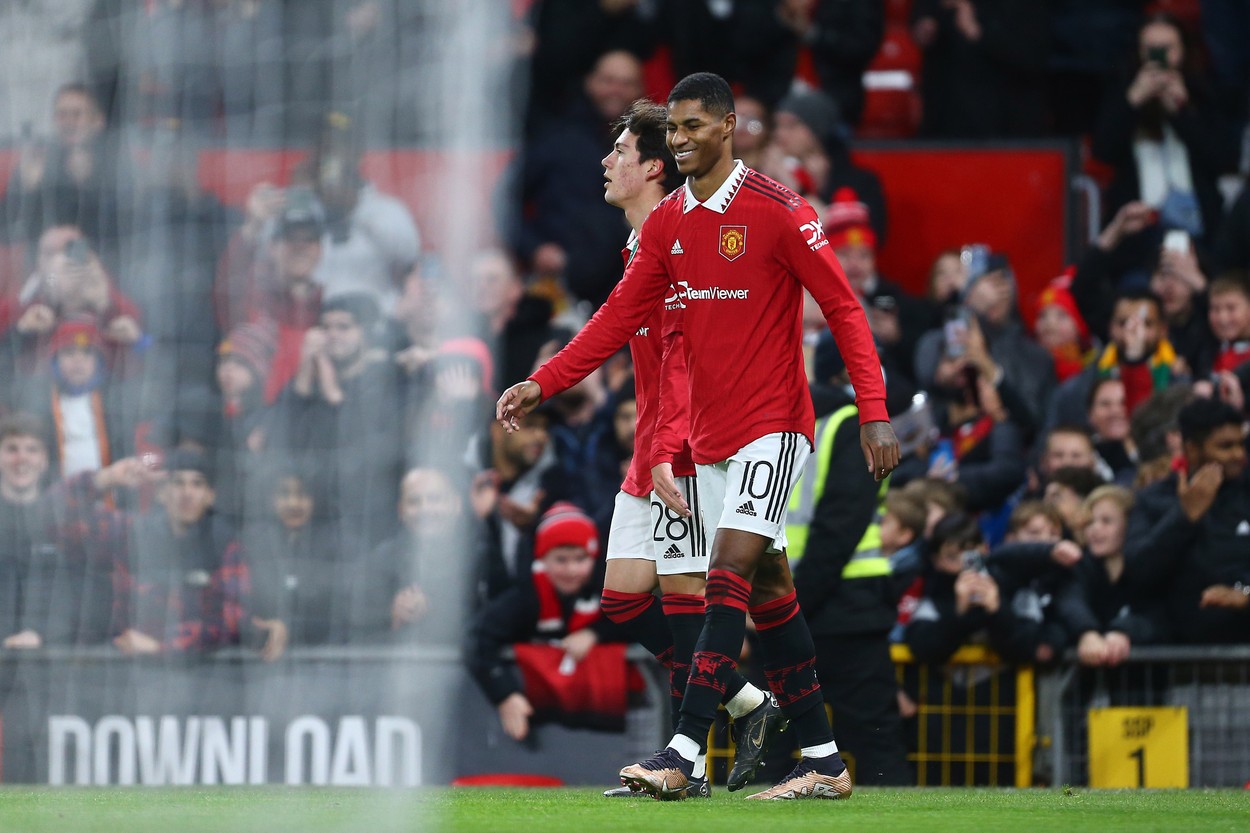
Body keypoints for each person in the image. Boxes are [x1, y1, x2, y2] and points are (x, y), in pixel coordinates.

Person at [497, 73, 899, 801]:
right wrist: (544, 381)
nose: (679, 138)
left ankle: (683, 755)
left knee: (726, 578)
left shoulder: (780, 211)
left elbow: (842, 306)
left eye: (691, 126)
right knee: (771, 596)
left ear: (729, 126)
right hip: (709, 439)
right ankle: (825, 760)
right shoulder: (666, 225)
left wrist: (873, 408)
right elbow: (616, 320)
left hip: (774, 426)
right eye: (672, 128)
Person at [589, 99, 785, 799]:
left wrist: (670, 445)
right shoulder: (641, 248)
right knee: (621, 600)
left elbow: (681, 361)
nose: (606, 162)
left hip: (683, 445)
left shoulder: (677, 246)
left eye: (619, 151)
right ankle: (748, 704)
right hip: (652, 446)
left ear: (651, 168)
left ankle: (690, 762)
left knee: (677, 597)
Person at [1124, 397, 1250, 643]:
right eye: (1225, 446)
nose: (1238, 455)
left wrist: (1245, 593)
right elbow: (1137, 575)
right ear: (1192, 449)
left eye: (1241, 444)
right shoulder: (1153, 500)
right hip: (1176, 661)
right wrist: (1184, 518)